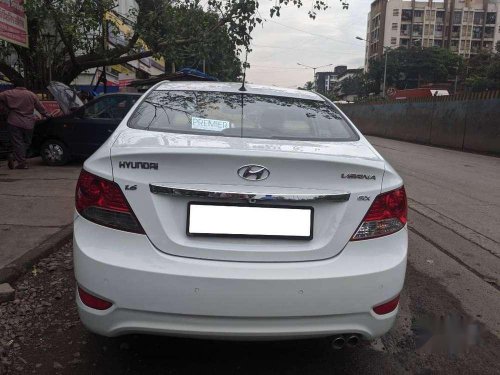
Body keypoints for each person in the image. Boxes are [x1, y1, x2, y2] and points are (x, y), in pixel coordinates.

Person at [0, 78, 50, 169]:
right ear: (25, 86)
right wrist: (47, 115)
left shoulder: (8, 93)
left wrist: (4, 109)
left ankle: (16, 157)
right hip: (28, 123)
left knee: (17, 142)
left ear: (15, 85)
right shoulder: (31, 95)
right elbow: (40, 107)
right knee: (27, 142)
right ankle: (21, 162)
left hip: (13, 121)